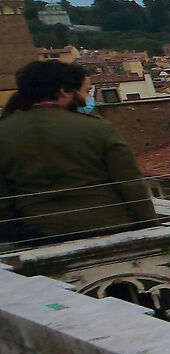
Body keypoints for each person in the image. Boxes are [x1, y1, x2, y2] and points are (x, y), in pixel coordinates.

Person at [0, 60, 154, 246]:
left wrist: (14, 239)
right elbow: (130, 184)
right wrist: (150, 225)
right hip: (111, 227)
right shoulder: (97, 128)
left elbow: (4, 200)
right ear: (65, 90)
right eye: (85, 91)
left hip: (42, 235)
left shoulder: (5, 131)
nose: (87, 97)